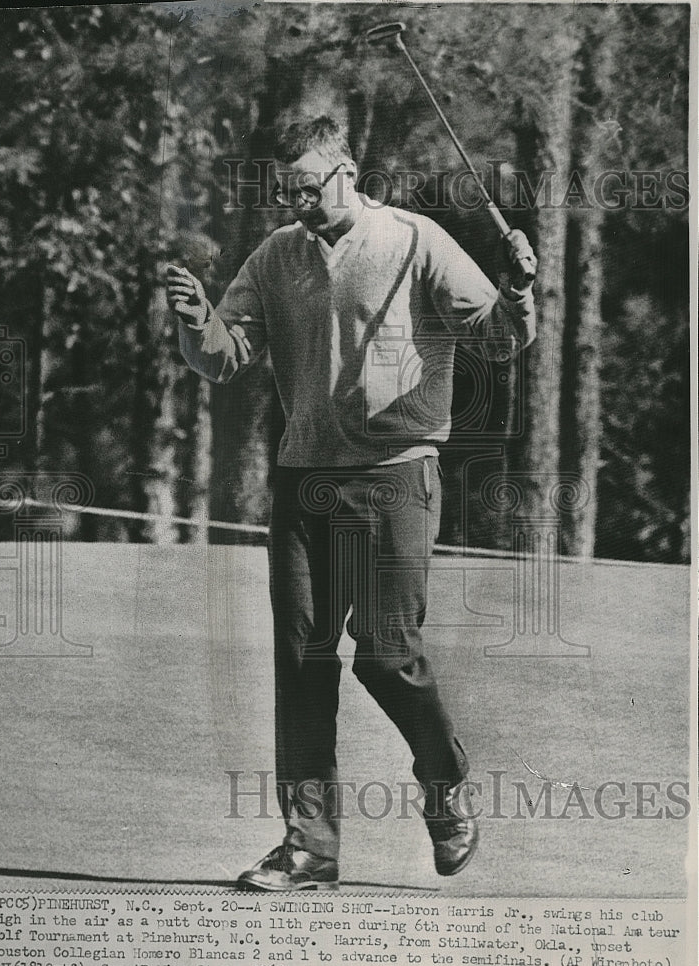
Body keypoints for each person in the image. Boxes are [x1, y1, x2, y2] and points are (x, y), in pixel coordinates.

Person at [166, 115, 537, 891]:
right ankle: (309, 848)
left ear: (347, 172)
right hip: (305, 482)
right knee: (302, 659)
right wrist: (196, 316)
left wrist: (520, 289)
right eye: (285, 190)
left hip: (397, 476)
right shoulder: (275, 257)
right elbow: (225, 359)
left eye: (308, 186)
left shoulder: (413, 239)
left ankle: (444, 786)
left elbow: (498, 339)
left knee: (386, 653)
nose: (296, 202)